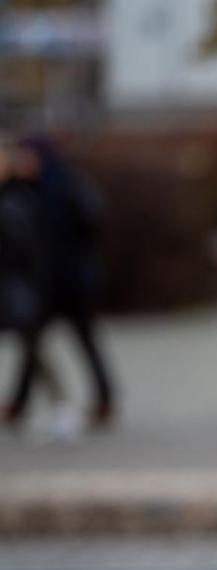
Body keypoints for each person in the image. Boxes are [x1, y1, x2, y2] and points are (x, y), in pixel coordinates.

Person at [2, 137, 116, 430]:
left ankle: (104, 397)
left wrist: (79, 260)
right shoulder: (26, 189)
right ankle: (19, 403)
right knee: (33, 342)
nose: (24, 162)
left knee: (84, 342)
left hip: (72, 280)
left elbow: (92, 220)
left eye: (28, 156)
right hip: (44, 281)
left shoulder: (66, 184)